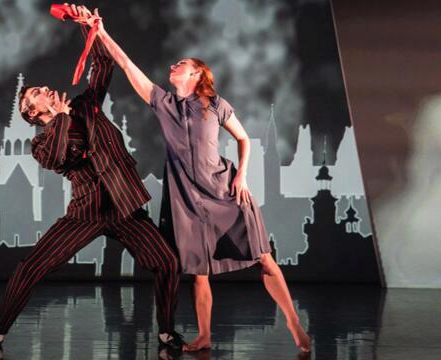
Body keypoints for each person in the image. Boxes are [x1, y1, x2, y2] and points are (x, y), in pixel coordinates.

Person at [74, 5, 311, 353]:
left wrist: (242, 176)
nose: (173, 66)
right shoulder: (162, 102)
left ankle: (293, 322)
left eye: (181, 64)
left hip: (224, 190)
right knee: (199, 271)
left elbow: (244, 138)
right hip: (186, 197)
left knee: (262, 256)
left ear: (197, 73)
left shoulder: (215, 104)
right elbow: (126, 64)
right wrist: (101, 30)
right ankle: (204, 336)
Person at [0, 13, 184, 353]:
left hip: (124, 206)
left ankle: (165, 333)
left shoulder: (86, 105)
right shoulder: (40, 144)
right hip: (85, 213)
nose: (45, 88)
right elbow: (62, 157)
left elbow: (102, 65)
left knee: (167, 263)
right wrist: (61, 119)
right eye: (37, 93)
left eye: (41, 88)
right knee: (30, 268)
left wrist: (89, 27)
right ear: (33, 114)